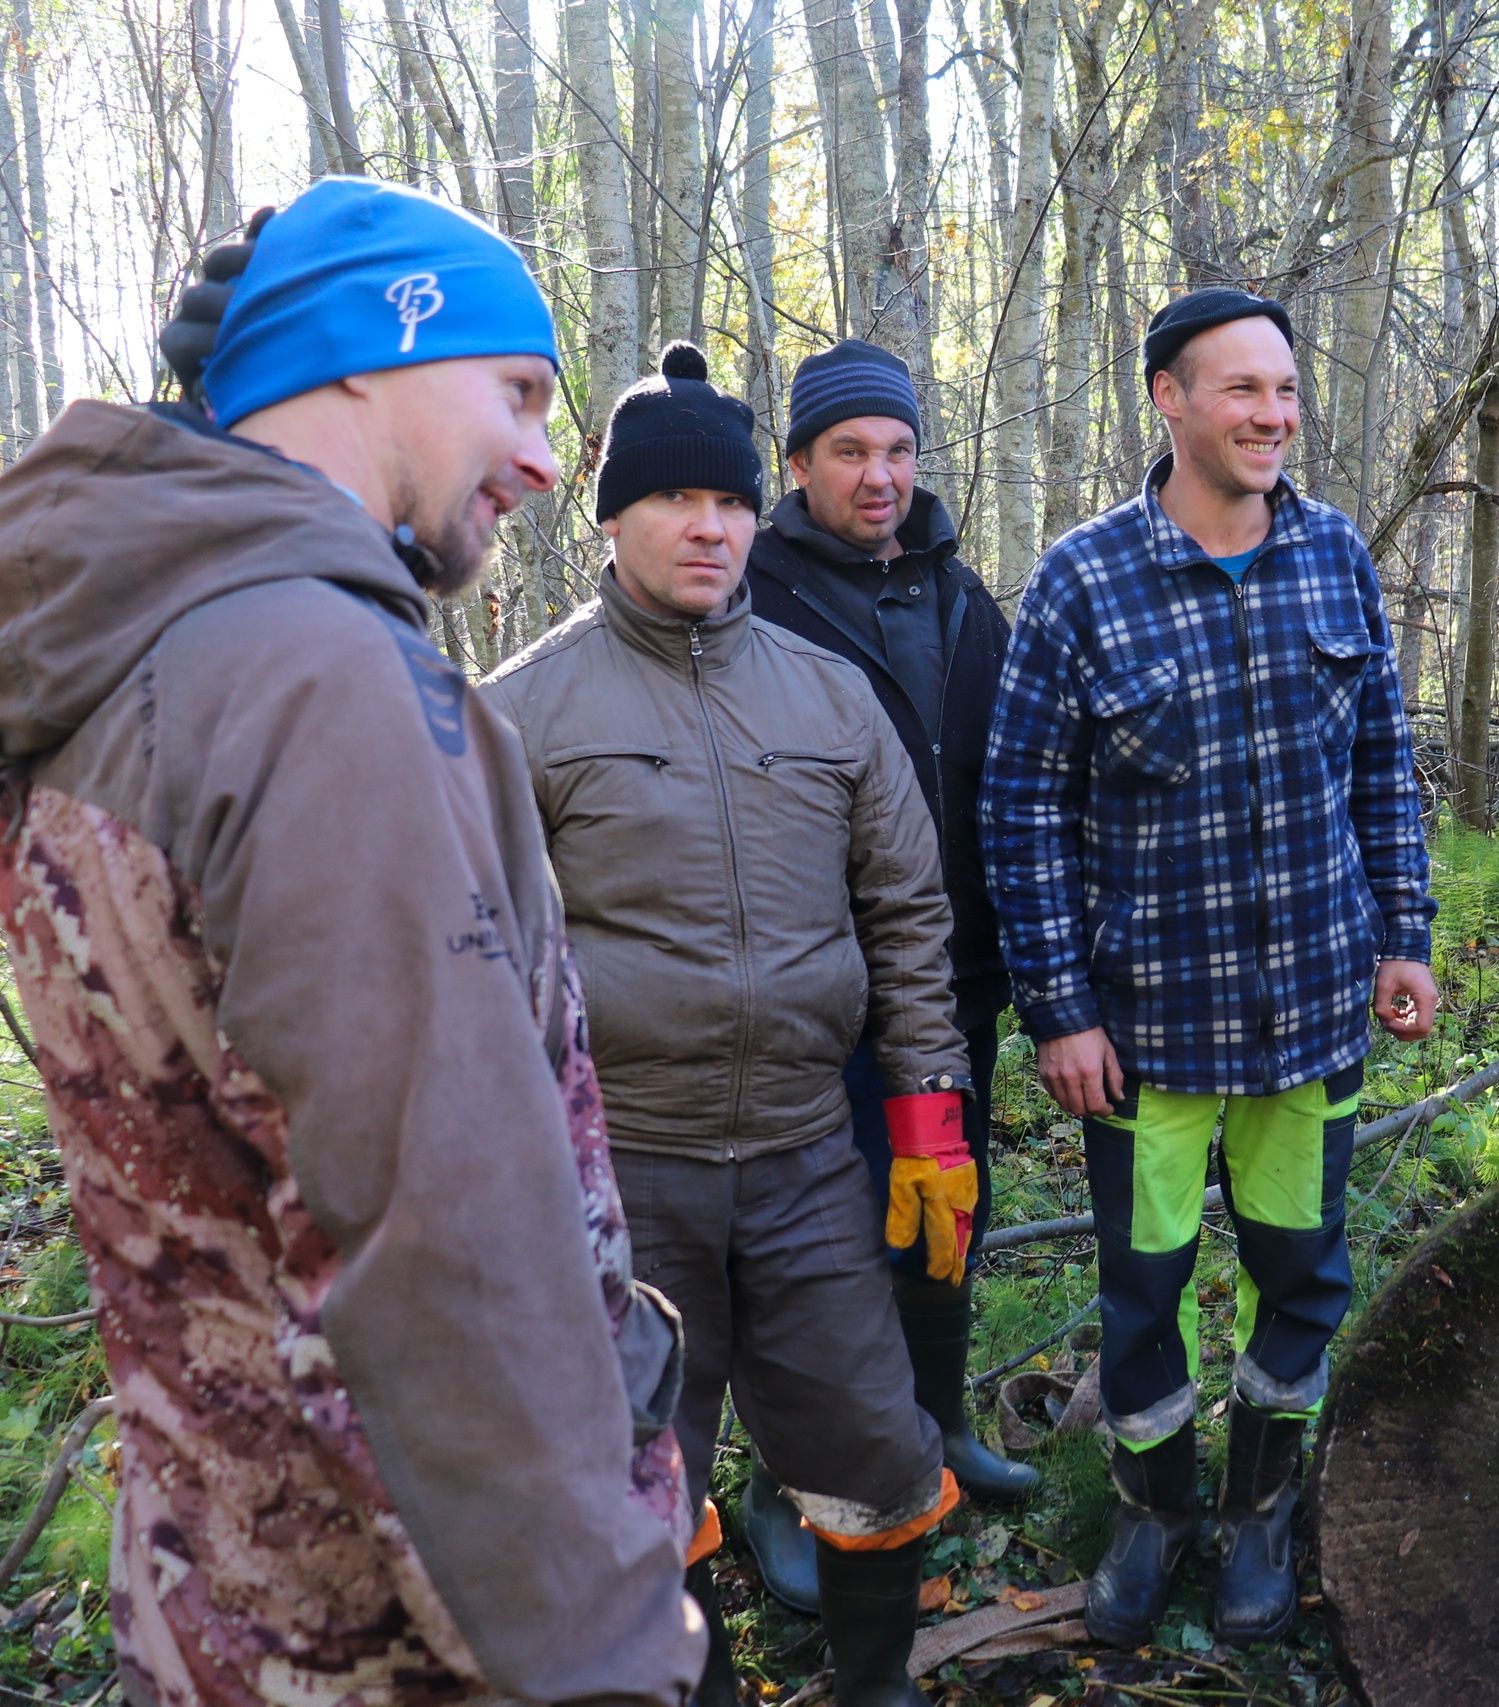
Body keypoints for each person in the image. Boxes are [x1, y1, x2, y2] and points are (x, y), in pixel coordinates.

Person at [0, 178, 705, 1706]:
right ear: (369, 348)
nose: (538, 455)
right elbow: (439, 1246)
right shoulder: (320, 681)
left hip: (215, 1602)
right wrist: (605, 1654)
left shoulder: (126, 653)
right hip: (395, 1640)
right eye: (514, 388)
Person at [480, 342, 972, 1707]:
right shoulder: (521, 712)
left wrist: (928, 1107)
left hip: (812, 1154)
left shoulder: (828, 695)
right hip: (629, 1172)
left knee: (875, 1445)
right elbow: (477, 964)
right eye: (675, 501)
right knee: (642, 1468)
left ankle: (877, 1682)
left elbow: (909, 913)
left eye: (733, 502)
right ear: (615, 515)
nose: (709, 527)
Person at [980, 288, 1439, 1648]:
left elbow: (1382, 767)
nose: (1273, 415)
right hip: (1151, 1035)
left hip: (1309, 1013)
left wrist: (1404, 931)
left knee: (1302, 1276)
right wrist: (1060, 1008)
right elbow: (1022, 812)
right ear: (1169, 400)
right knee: (1145, 1289)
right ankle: (1155, 1505)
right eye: (1242, 390)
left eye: (1286, 390)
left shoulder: (1336, 558)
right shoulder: (1083, 579)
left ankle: (1258, 1509)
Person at [744, 339, 1039, 1548]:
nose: (880, 475)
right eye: (851, 452)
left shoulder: (963, 598)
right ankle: (790, 1489)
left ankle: (935, 1427)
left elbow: (1020, 783)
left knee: (943, 1217)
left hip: (952, 986)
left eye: (898, 450)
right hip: (812, 993)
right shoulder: (751, 595)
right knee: (820, 1247)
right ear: (800, 461)